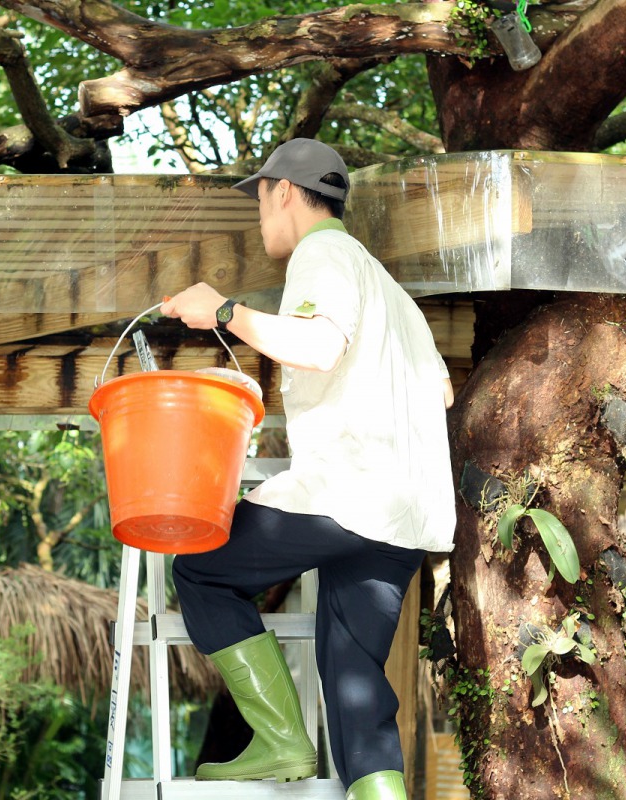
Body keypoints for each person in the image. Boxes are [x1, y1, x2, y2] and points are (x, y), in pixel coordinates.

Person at [160, 138, 456, 800]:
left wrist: (224, 312)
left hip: (348, 492)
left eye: (259, 200)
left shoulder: (322, 253)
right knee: (353, 681)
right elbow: (441, 394)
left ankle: (280, 741)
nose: (260, 216)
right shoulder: (392, 296)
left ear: (282, 191)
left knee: (200, 568)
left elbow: (320, 347)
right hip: (406, 513)